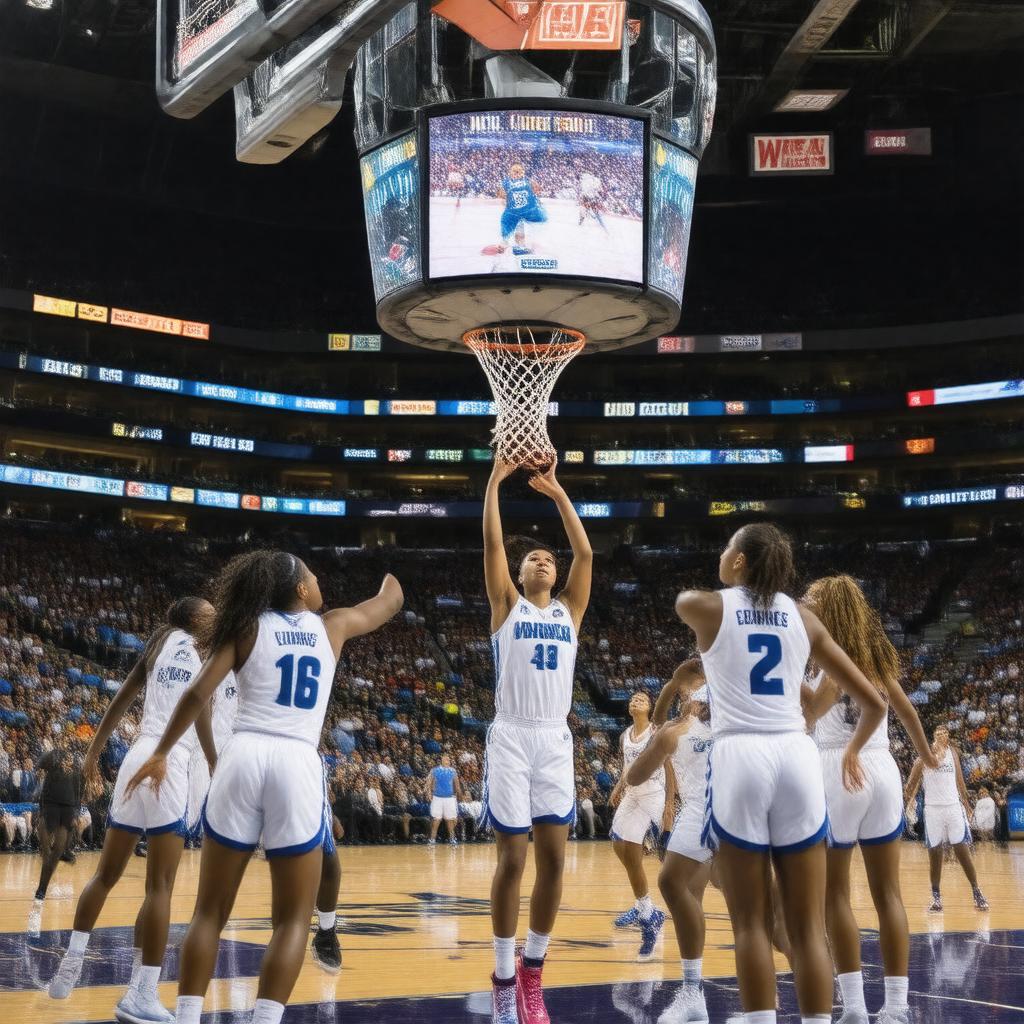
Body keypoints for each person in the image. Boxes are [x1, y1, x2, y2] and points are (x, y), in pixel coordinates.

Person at [125, 550, 403, 1024]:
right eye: (315, 577)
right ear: (301, 590)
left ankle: (189, 1016)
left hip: (242, 754)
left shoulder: (246, 626)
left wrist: (160, 752)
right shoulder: (332, 625)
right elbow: (389, 600)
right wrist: (391, 561)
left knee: (209, 912)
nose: (320, 584)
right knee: (292, 920)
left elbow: (198, 695)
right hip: (296, 761)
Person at [674, 522, 886, 1024]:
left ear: (740, 562)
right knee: (808, 927)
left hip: (739, 755)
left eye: (728, 548)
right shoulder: (806, 618)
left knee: (749, 923)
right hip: (796, 755)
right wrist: (843, 741)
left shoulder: (701, 606)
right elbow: (874, 704)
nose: (722, 554)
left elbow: (696, 607)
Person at [47, 596, 217, 1021]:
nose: (217, 617)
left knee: (106, 874)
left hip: (134, 756)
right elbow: (201, 716)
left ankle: (69, 967)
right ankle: (142, 993)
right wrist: (215, 763)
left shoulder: (158, 645)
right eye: (211, 613)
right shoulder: (201, 652)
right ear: (197, 620)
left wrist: (92, 753)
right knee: (160, 886)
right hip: (168, 758)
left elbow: (121, 699)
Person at [482, 458, 592, 1024]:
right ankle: (502, 978)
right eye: (533, 559)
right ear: (520, 576)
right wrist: (496, 482)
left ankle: (532, 974)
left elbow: (587, 555)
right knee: (514, 858)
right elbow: (493, 543)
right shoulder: (507, 606)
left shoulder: (572, 610)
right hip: (511, 736)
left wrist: (557, 493)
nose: (544, 561)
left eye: (548, 557)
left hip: (554, 737)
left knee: (554, 859)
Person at [801, 576, 938, 1024]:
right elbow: (907, 711)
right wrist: (926, 756)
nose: (805, 600)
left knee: (834, 893)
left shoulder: (829, 654)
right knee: (888, 893)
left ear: (829, 607)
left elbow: (814, 710)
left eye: (812, 597)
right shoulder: (876, 654)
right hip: (885, 771)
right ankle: (897, 1008)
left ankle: (856, 1007)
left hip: (840, 766)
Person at [626, 659, 713, 1023]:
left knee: (757, 912)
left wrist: (679, 680)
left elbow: (638, 770)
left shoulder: (694, 722)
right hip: (704, 812)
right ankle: (694, 991)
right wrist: (673, 683)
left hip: (714, 809)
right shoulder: (683, 725)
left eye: (688, 691)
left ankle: (697, 991)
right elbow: (661, 719)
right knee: (683, 887)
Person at [609, 690, 675, 960]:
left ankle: (654, 906)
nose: (635, 701)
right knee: (619, 843)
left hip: (655, 795)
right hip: (633, 794)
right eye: (632, 699)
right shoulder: (625, 735)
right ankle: (646, 908)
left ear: (649, 708)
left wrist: (670, 803)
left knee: (670, 856)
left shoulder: (657, 732)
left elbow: (669, 768)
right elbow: (628, 767)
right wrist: (618, 787)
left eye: (641, 699)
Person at [904, 726, 989, 913]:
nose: (943, 735)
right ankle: (936, 897)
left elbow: (960, 780)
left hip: (952, 807)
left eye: (946, 733)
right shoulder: (924, 756)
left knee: (962, 850)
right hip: (933, 810)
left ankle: (977, 891)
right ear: (933, 736)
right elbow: (911, 783)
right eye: (939, 733)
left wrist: (966, 805)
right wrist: (909, 799)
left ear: (948, 737)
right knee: (935, 854)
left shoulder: (953, 754)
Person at [34, 738, 85, 904]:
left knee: (57, 851)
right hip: (50, 805)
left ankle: (42, 888)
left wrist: (76, 813)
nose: (67, 745)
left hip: (68, 808)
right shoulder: (53, 756)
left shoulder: (78, 763)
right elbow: (39, 765)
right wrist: (51, 752)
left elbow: (79, 790)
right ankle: (41, 889)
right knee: (47, 852)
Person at [428, 752, 462, 845]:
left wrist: (459, 796)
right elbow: (430, 783)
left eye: (449, 759)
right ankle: (432, 839)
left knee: (450, 819)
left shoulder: (453, 771)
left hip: (449, 798)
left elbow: (457, 785)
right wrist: (429, 793)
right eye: (446, 759)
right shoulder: (435, 770)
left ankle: (452, 839)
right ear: (441, 760)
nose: (448, 760)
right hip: (437, 798)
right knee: (436, 819)